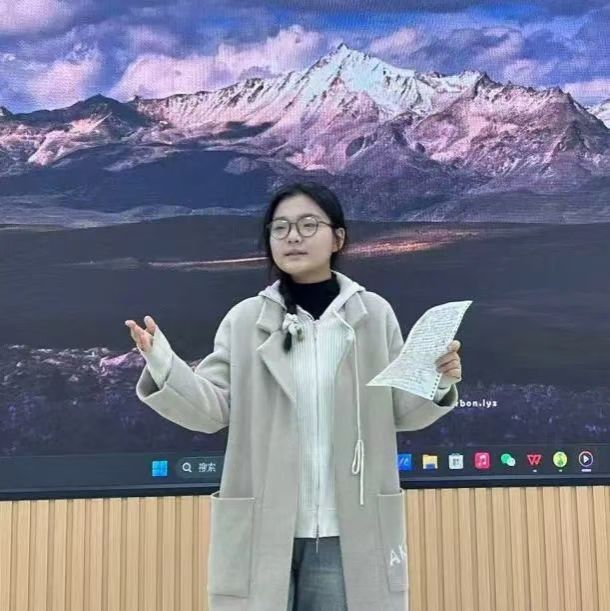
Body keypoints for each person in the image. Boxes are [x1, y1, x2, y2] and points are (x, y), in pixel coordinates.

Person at [126, 182, 462, 611]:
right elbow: (211, 410)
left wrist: (437, 380)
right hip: (264, 524)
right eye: (280, 228)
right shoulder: (246, 320)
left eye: (307, 225)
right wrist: (163, 364)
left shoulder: (373, 315)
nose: (293, 237)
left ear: (337, 238)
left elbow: (401, 409)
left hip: (348, 529)